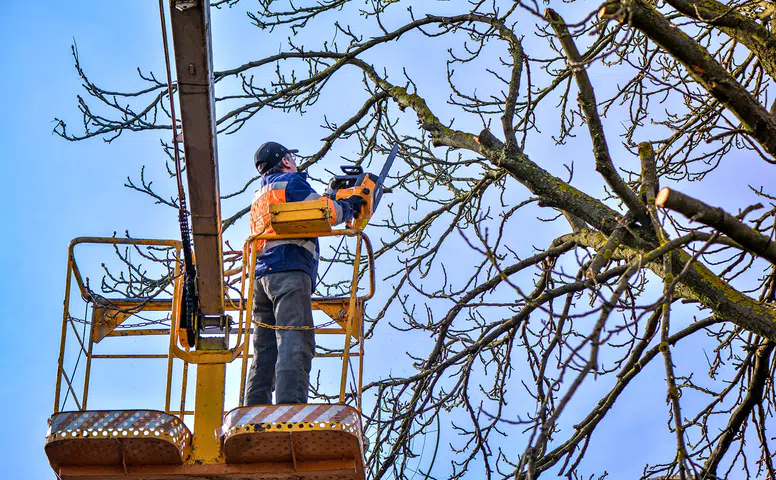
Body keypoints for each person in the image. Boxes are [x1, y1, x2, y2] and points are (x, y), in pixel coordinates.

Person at [245, 141, 366, 405]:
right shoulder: (291, 183)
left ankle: (253, 409)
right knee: (294, 338)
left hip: (262, 276)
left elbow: (304, 213)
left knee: (264, 349)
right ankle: (290, 408)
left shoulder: (261, 194)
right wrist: (350, 205)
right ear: (286, 161)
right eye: (292, 158)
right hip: (289, 271)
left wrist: (329, 196)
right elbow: (325, 213)